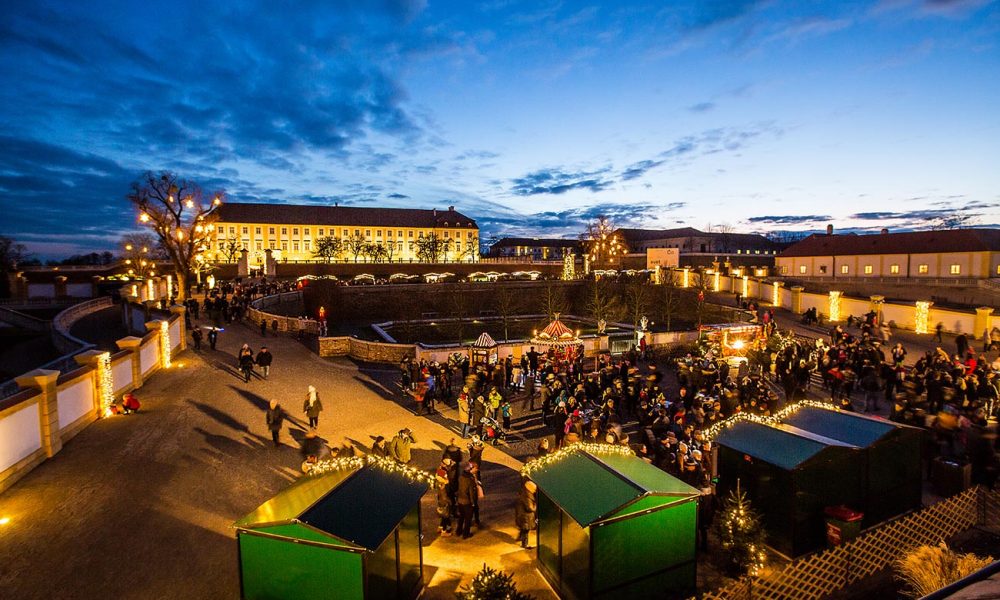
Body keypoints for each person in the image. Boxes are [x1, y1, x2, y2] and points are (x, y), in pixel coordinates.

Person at [455, 462, 477, 539]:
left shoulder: (461, 477)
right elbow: (471, 492)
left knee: (461, 516)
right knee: (468, 518)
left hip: (460, 500)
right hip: (467, 501)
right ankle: (466, 534)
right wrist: (473, 503)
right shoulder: (470, 479)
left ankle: (458, 531)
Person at [515, 479, 538, 548]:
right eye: (534, 490)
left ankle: (519, 538)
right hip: (526, 517)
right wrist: (535, 505)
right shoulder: (528, 497)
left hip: (522, 515)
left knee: (523, 529)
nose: (535, 491)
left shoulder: (523, 493)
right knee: (526, 530)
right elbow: (530, 508)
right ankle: (525, 544)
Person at [435, 461, 454, 536]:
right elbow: (444, 496)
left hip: (441, 501)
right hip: (444, 502)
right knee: (446, 515)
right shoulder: (443, 485)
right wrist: (449, 501)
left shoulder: (439, 475)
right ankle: (444, 531)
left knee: (444, 515)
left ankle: (441, 527)